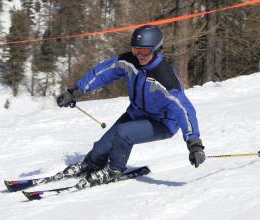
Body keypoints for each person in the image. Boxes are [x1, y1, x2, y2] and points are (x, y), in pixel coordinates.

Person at [56, 25, 205, 188]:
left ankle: (114, 170)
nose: (139, 55)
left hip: (162, 123)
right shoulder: (129, 62)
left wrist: (194, 144)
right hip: (137, 113)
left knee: (123, 133)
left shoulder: (165, 78)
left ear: (156, 49)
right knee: (101, 148)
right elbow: (104, 72)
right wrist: (76, 91)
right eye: (136, 50)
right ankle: (91, 164)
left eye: (145, 51)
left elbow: (184, 110)